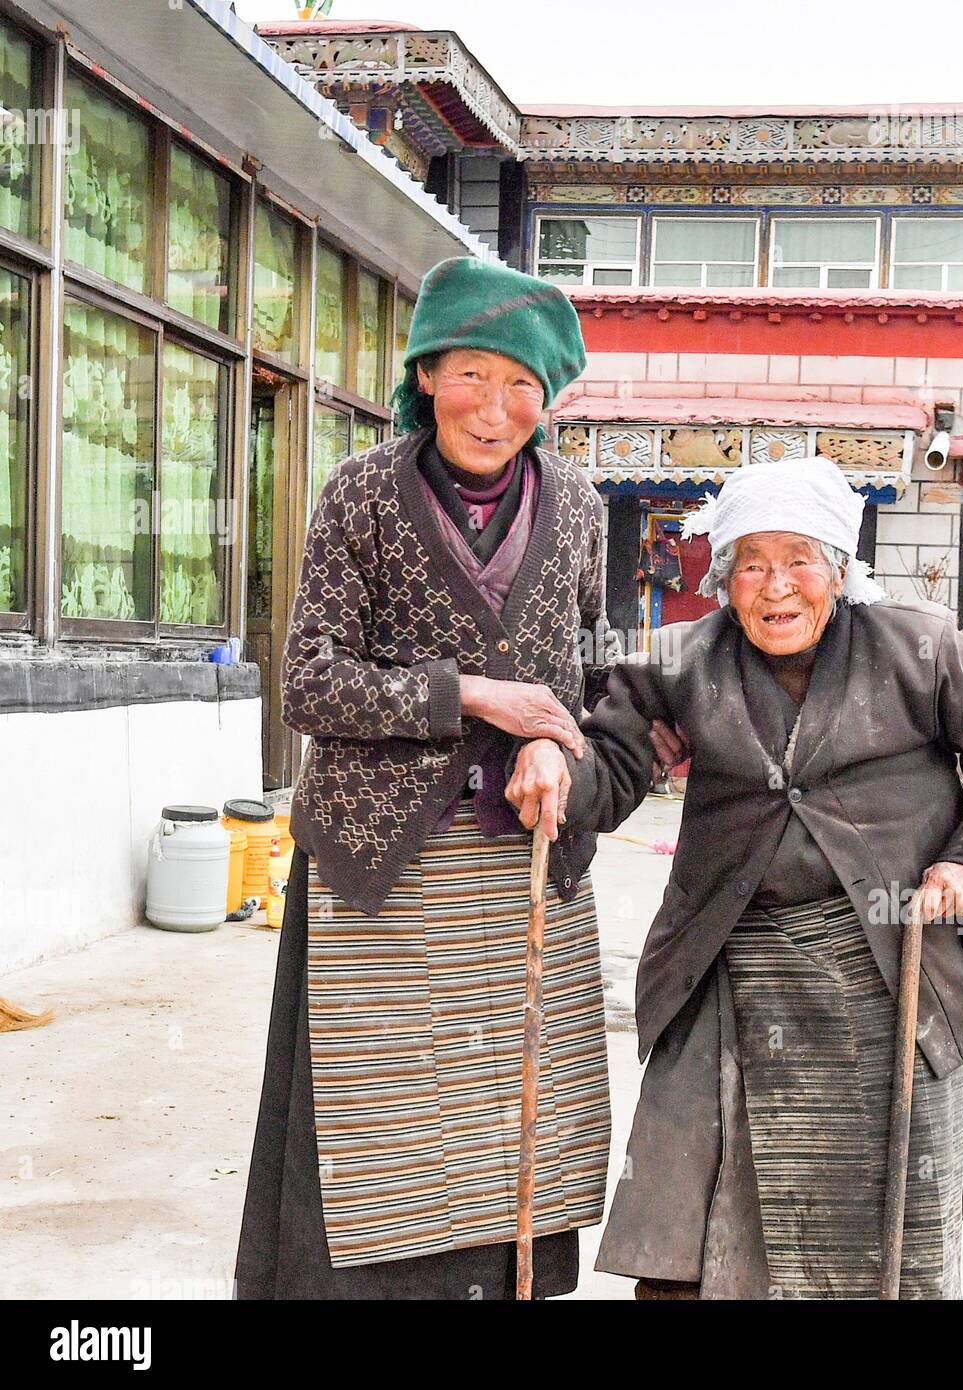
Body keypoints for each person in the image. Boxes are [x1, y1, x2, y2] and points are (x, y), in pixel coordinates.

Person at [506, 455, 963, 1299]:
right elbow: (613, 759)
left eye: (799, 559)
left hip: (888, 958)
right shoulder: (679, 661)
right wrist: (554, 765)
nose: (775, 587)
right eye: (751, 564)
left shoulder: (917, 649)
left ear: (838, 567)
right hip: (729, 952)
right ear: (723, 580)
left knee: (880, 1221)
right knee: (686, 1219)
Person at [235, 257, 618, 1300]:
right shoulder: (361, 490)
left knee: (510, 1107)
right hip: (379, 858)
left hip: (520, 853)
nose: (493, 410)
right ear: (423, 375)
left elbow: (596, 670)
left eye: (522, 387)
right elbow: (307, 682)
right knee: (382, 1106)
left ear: (547, 402)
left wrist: (554, 739)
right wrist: (482, 699)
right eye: (471, 377)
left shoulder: (580, 506)